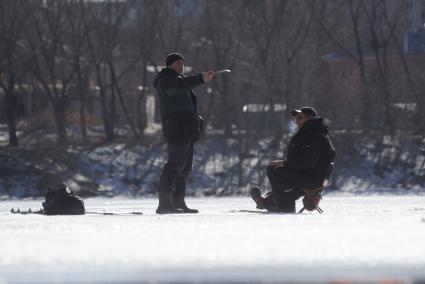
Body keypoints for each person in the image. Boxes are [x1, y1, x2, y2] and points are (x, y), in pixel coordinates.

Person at [152, 53, 215, 214]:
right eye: (178, 63)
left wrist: (197, 123)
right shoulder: (165, 80)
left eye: (183, 63)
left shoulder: (180, 81)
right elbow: (179, 86)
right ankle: (164, 204)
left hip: (187, 130)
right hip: (177, 129)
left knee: (185, 169)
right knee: (173, 166)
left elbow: (185, 91)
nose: (181, 66)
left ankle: (179, 203)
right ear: (169, 65)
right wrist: (200, 78)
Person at [250, 107, 336, 213]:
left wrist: (286, 163)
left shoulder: (314, 136)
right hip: (310, 177)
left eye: (300, 117)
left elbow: (308, 162)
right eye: (296, 119)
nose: (296, 121)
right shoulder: (314, 134)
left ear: (310, 118)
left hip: (311, 179)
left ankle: (285, 208)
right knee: (282, 191)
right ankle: (265, 203)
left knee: (274, 169)